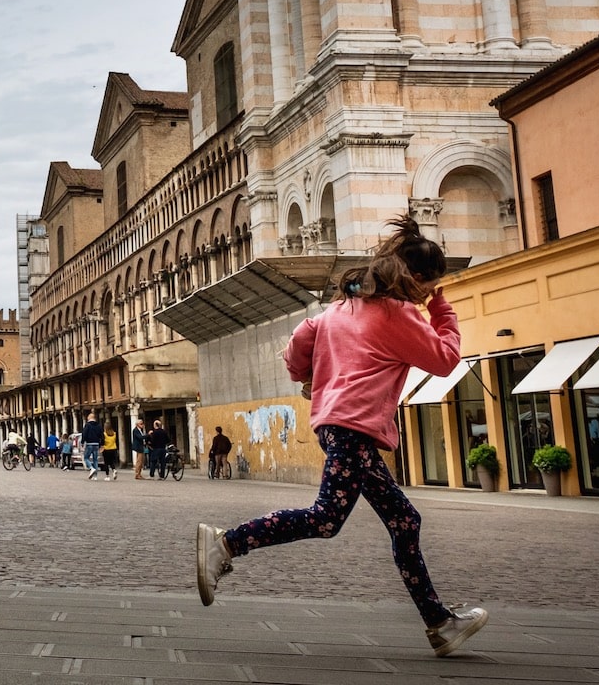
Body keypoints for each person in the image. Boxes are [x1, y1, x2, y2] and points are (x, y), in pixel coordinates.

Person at [195, 215, 488, 658]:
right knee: (325, 518)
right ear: (418, 278)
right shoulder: (400, 314)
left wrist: (306, 377)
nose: (430, 293)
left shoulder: (338, 309)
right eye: (430, 285)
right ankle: (226, 543)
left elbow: (298, 340)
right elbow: (445, 360)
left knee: (405, 521)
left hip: (339, 427)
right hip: (352, 428)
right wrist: (443, 313)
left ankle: (439, 623)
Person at [81, 412, 104, 479]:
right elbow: (102, 435)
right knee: (95, 460)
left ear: (90, 418)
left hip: (89, 444)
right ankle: (95, 476)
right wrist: (102, 444)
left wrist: (82, 442)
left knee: (86, 458)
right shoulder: (99, 425)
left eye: (88, 417)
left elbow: (84, 434)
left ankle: (91, 468)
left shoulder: (87, 425)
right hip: (96, 444)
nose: (87, 418)